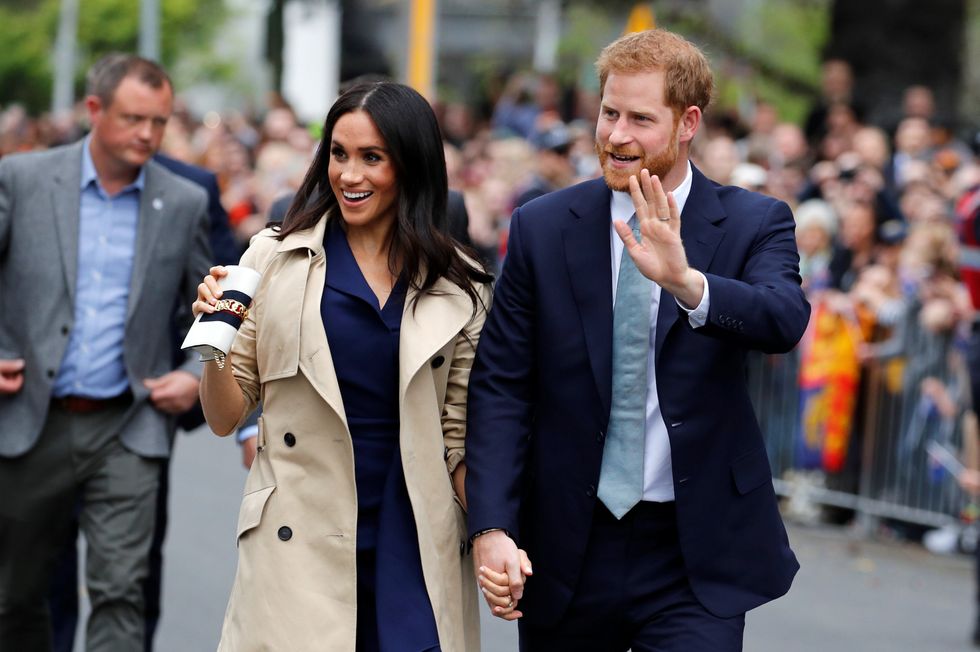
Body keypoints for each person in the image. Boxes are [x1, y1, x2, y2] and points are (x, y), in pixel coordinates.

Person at [465, 28, 810, 651]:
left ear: (688, 123)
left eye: (641, 119)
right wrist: (491, 526)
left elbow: (783, 319)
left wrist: (687, 283)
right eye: (609, 113)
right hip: (567, 543)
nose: (617, 135)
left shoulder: (753, 221)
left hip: (693, 553)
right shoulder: (543, 227)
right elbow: (501, 387)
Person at [194, 81, 492, 651]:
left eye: (372, 157)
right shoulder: (271, 257)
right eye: (338, 153)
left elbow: (459, 437)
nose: (349, 175)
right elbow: (225, 416)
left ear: (410, 164)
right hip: (297, 541)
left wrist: (497, 528)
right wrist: (214, 344)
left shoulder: (460, 283)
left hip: (415, 540)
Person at [0, 53, 211, 650]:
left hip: (127, 425)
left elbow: (215, 307)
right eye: (133, 118)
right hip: (29, 419)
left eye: (159, 121)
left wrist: (194, 372)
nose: (147, 133)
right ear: (95, 110)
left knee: (120, 592)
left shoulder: (184, 200)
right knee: (15, 596)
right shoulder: (23, 179)